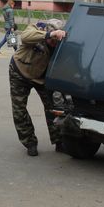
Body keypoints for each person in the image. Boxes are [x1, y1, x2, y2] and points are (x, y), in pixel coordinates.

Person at [8, 19, 67, 156]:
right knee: (19, 110)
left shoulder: (61, 41)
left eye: (56, 41)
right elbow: (25, 37)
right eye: (52, 40)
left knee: (53, 108)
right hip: (20, 72)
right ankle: (30, 142)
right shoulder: (36, 29)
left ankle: (59, 141)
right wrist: (49, 35)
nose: (54, 43)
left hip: (41, 78)